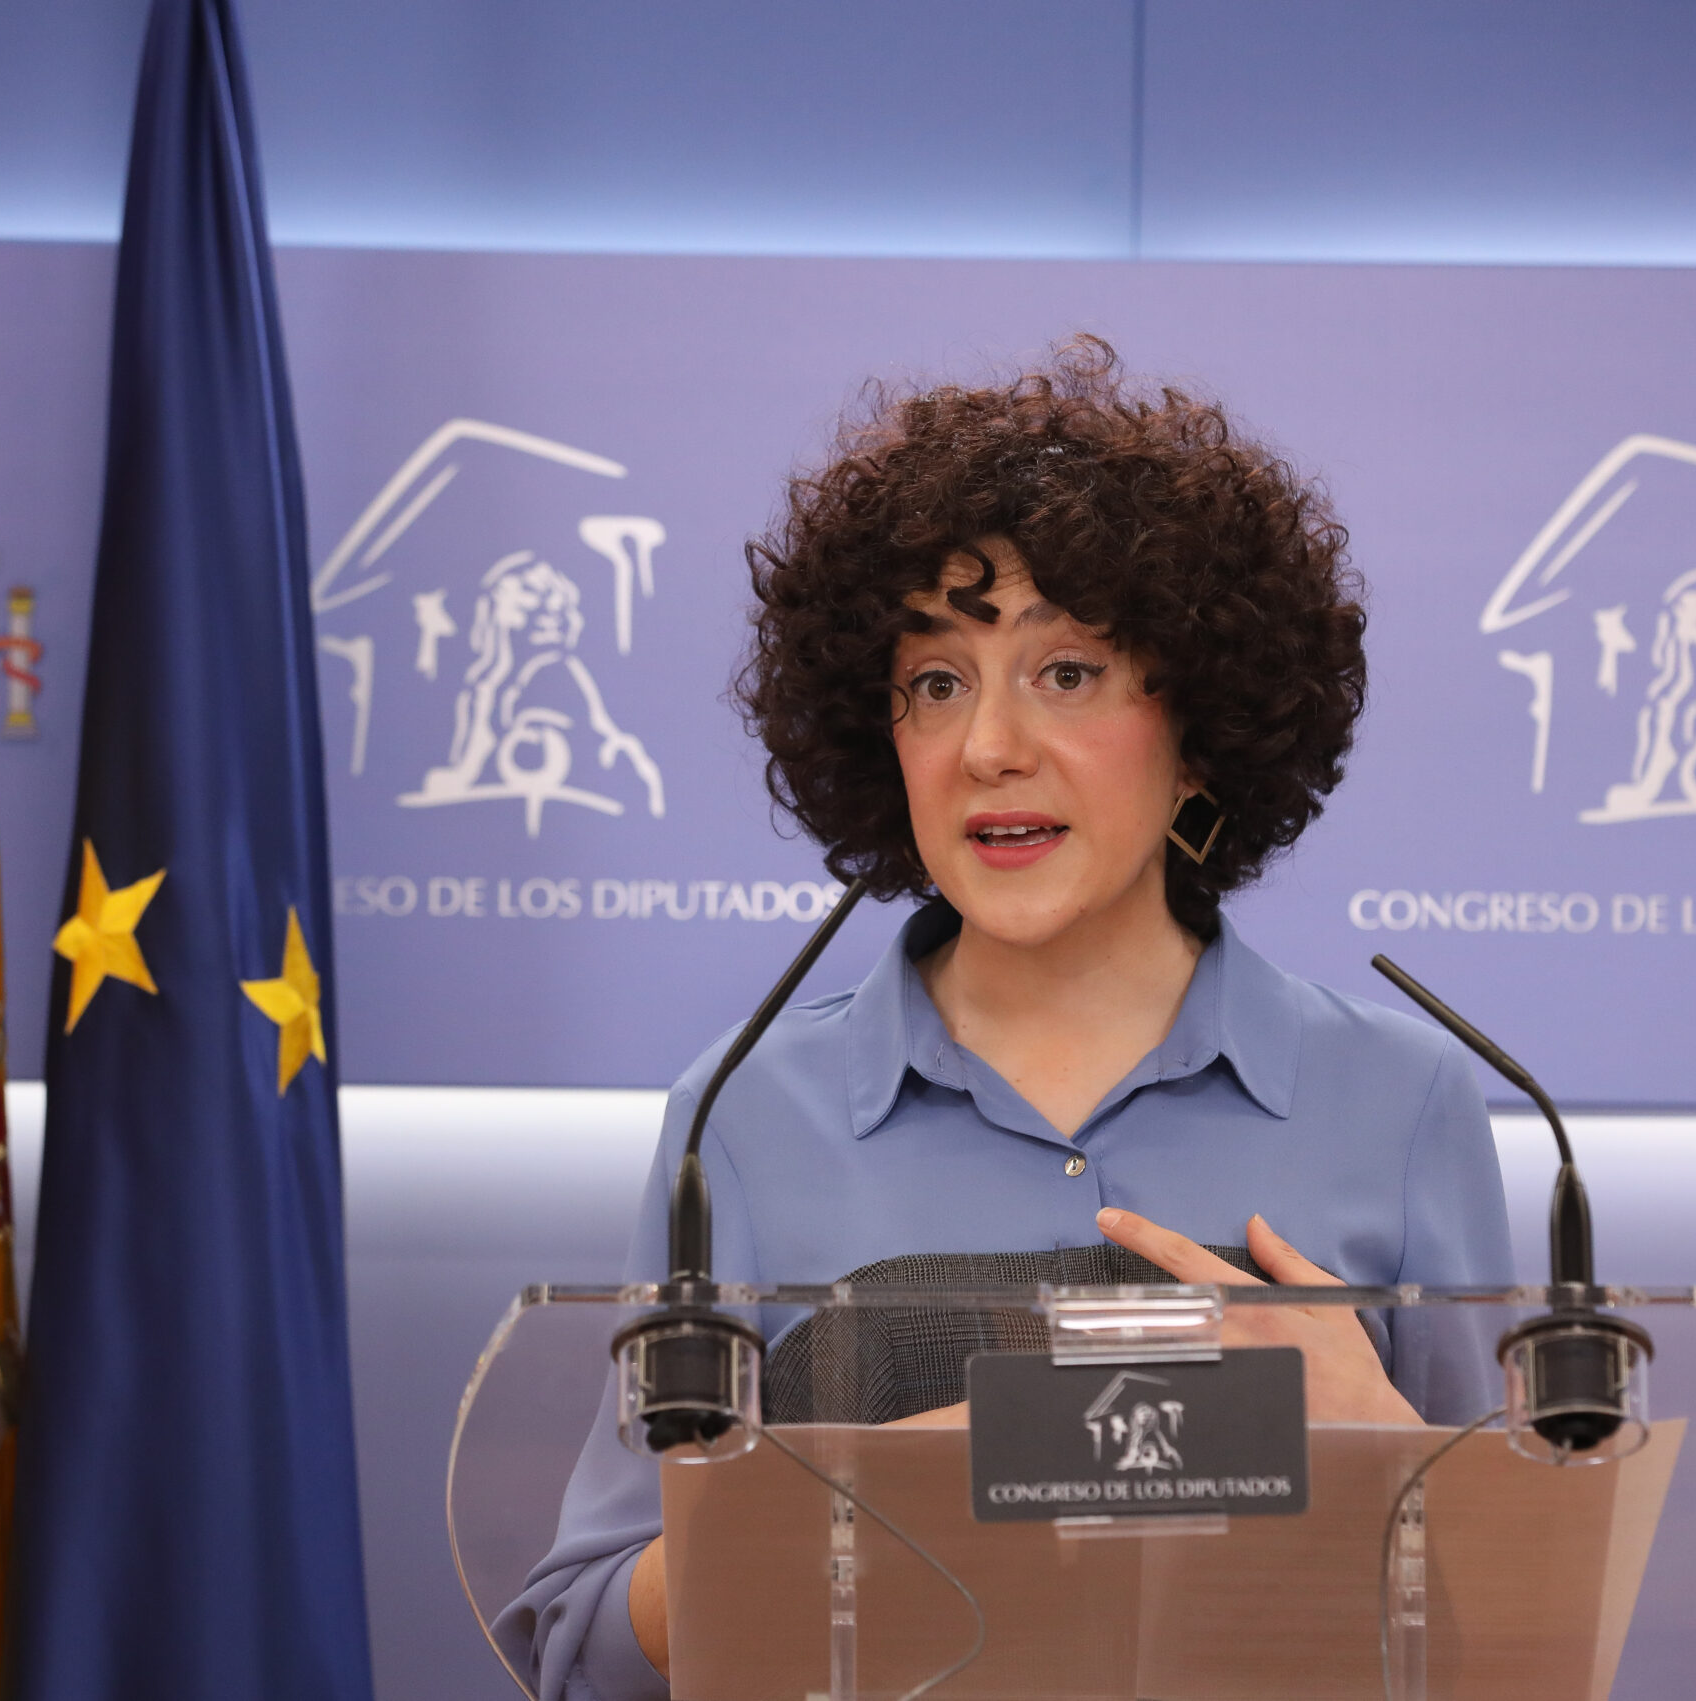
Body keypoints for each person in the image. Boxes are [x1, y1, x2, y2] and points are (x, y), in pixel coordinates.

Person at [498, 338, 1513, 1700]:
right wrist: (878, 1499)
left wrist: (1386, 1447)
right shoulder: (739, 1118)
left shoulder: (1401, 1103)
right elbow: (585, 1652)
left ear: (1199, 727)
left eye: (1068, 672)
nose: (988, 747)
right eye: (937, 682)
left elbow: (1511, 1649)